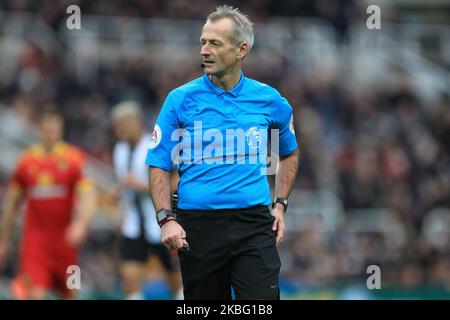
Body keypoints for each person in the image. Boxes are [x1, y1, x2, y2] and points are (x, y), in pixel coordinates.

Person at [146, 5, 299, 300]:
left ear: (241, 49)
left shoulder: (269, 100)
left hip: (253, 224)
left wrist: (280, 204)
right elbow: (158, 162)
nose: (205, 50)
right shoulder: (179, 100)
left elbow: (289, 152)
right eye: (203, 41)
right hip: (198, 226)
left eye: (215, 43)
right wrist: (166, 220)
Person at [0, 111, 97, 299]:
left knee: (70, 292)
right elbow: (11, 204)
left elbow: (88, 195)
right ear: (39, 131)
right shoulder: (26, 162)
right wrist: (4, 240)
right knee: (36, 294)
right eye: (47, 130)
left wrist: (81, 224)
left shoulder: (74, 159)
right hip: (35, 243)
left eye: (55, 130)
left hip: (67, 243)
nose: (51, 134)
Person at [110, 101, 183, 300]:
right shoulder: (119, 150)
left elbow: (175, 181)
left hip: (159, 222)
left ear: (136, 122)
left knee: (175, 279)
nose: (119, 130)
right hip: (133, 224)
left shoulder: (155, 146)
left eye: (123, 124)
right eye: (116, 125)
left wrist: (140, 186)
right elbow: (124, 184)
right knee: (129, 276)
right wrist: (120, 203)